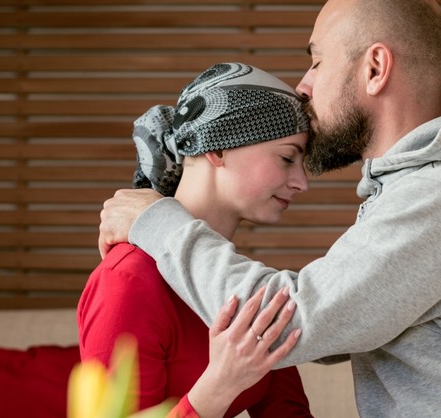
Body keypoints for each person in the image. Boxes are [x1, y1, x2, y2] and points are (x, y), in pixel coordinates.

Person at [97, 1, 441, 417]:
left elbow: (295, 324)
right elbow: (320, 330)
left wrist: (156, 221)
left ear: (375, 68)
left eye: (317, 60)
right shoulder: (428, 189)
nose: (303, 85)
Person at [78, 62, 314, 418]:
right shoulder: (129, 281)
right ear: (217, 149)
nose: (301, 182)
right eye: (286, 157)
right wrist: (219, 385)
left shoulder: (236, 283)